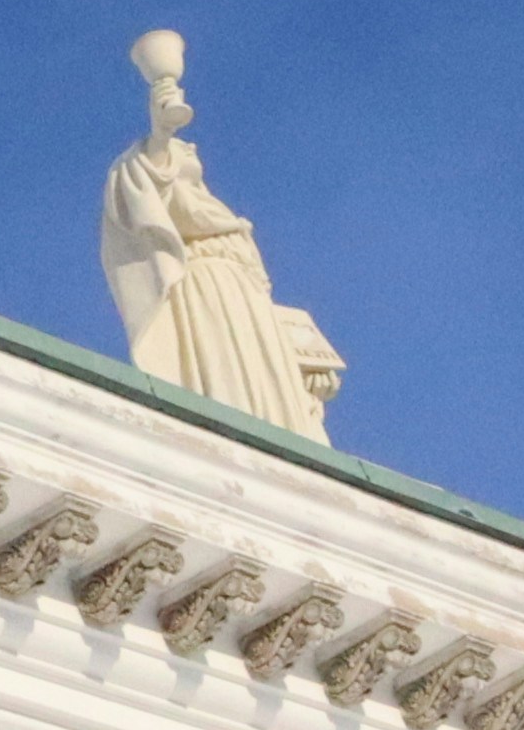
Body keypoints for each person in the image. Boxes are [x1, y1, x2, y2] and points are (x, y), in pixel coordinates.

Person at [98, 28, 346, 443]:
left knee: (277, 414)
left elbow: (262, 314)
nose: (190, 164)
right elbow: (140, 179)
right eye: (181, 169)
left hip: (245, 304)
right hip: (212, 295)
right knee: (231, 391)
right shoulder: (194, 265)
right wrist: (160, 137)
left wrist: (302, 359)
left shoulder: (230, 238)